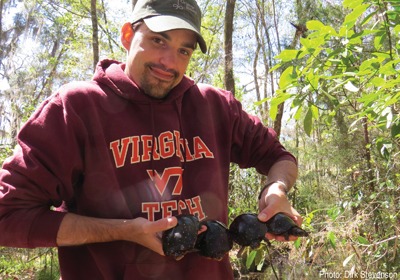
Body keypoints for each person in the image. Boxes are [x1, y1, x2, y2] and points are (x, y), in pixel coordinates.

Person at [0, 0, 302, 279]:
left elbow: (279, 157)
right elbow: (8, 216)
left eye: (184, 50)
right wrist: (124, 231)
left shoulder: (215, 107)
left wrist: (276, 188)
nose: (170, 62)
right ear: (128, 34)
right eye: (159, 40)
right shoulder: (76, 109)